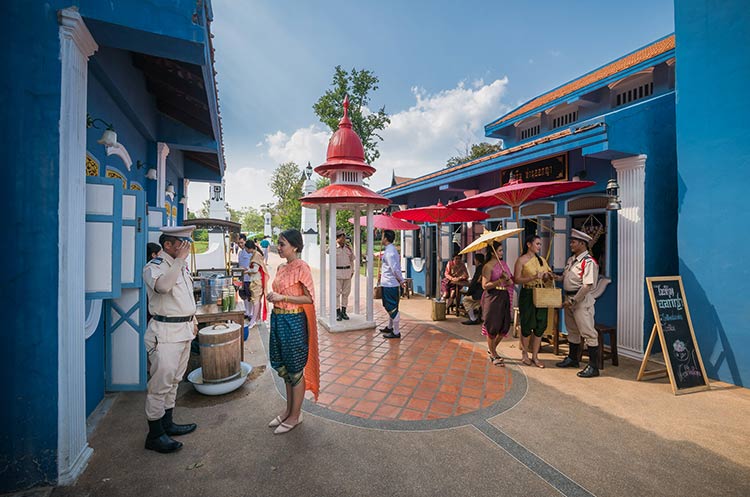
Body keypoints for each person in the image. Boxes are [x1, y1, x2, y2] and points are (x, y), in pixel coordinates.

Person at [142, 226, 199, 453]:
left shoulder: (180, 266)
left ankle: (167, 423)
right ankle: (155, 434)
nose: (186, 247)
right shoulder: (154, 267)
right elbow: (164, 287)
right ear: (168, 245)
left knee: (174, 381)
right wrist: (178, 263)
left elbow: (184, 297)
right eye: (182, 243)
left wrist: (192, 319)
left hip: (183, 330)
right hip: (165, 333)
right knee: (159, 385)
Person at [265, 229, 319, 434]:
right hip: (278, 319)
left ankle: (296, 415)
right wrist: (275, 297)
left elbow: (309, 298)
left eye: (282, 244)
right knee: (286, 369)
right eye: (278, 244)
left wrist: (282, 298)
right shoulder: (281, 267)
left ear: (295, 246)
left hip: (294, 321)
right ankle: (289, 410)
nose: (278, 247)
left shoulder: (302, 267)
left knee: (296, 369)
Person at [553, 229, 600, 378]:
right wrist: (554, 277)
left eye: (573, 242)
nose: (571, 244)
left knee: (588, 333)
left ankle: (594, 366)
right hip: (569, 299)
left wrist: (573, 300)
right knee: (572, 331)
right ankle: (573, 358)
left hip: (580, 300)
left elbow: (587, 286)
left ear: (582, 243)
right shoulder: (571, 260)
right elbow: (566, 278)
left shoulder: (588, 262)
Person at [513, 234, 554, 368]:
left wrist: (548, 276)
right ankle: (525, 354)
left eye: (540, 244)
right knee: (526, 323)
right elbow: (517, 280)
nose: (539, 246)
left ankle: (535, 356)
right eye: (537, 243)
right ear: (529, 245)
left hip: (541, 293)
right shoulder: (521, 260)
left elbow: (548, 278)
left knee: (540, 324)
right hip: (528, 293)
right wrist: (533, 277)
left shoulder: (542, 260)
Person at [481, 240, 514, 366]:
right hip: (493, 297)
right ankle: (493, 353)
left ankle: (492, 349)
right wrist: (499, 280)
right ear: (492, 252)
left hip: (504, 296)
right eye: (499, 250)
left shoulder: (503, 264)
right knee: (492, 325)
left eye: (501, 250)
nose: (502, 253)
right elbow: (485, 285)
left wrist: (507, 279)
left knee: (504, 326)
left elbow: (510, 282)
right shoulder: (487, 266)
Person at [379, 230, 406, 339]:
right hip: (387, 282)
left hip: (390, 283)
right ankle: (390, 327)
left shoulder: (390, 252)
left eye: (382, 236)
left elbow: (394, 269)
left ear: (386, 238)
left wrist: (401, 280)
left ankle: (396, 331)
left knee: (391, 307)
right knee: (389, 306)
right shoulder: (389, 250)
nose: (381, 239)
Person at [246, 239, 268, 328]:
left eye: (246, 248)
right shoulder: (256, 254)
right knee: (256, 300)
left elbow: (255, 270)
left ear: (249, 248)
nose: (246, 250)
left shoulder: (256, 256)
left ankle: (253, 320)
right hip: (256, 280)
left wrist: (247, 271)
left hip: (256, 281)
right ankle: (257, 319)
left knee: (256, 301)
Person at [335, 230, 355, 321]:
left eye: (344, 237)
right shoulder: (334, 248)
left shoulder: (348, 248)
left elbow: (352, 260)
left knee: (346, 293)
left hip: (347, 272)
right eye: (341, 237)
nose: (343, 239)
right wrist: (334, 244)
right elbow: (327, 252)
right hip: (337, 273)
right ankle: (337, 312)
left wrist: (352, 271)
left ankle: (344, 311)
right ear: (337, 238)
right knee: (336, 294)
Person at [461, 253, 486, 325]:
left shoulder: (479, 269)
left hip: (480, 294)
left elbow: (474, 283)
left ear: (477, 260)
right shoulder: (485, 267)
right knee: (476, 303)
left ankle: (473, 319)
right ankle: (479, 316)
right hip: (485, 293)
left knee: (465, 300)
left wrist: (468, 292)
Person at [237, 234, 252, 320]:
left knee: (250, 296)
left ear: (245, 241)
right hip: (241, 277)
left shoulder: (250, 252)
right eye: (239, 243)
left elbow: (254, 265)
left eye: (242, 243)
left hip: (249, 277)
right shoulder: (240, 253)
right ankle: (246, 311)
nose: (240, 245)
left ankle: (251, 313)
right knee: (243, 295)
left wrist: (247, 268)